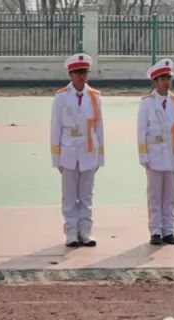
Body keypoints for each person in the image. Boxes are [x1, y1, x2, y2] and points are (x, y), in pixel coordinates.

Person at [50, 52, 104, 248]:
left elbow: (99, 128)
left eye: (84, 72)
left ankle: (86, 230)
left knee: (87, 195)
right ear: (70, 75)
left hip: (89, 149)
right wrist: (56, 158)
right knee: (69, 194)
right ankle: (71, 231)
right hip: (68, 150)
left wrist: (100, 157)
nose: (82, 76)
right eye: (78, 73)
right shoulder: (62, 97)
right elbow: (55, 128)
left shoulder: (95, 97)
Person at [137, 57, 174, 245]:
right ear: (155, 81)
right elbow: (141, 131)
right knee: (154, 196)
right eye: (163, 79)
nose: (167, 82)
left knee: (169, 196)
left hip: (171, 155)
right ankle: (155, 231)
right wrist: (143, 156)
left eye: (169, 78)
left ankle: (169, 230)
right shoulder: (147, 103)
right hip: (154, 155)